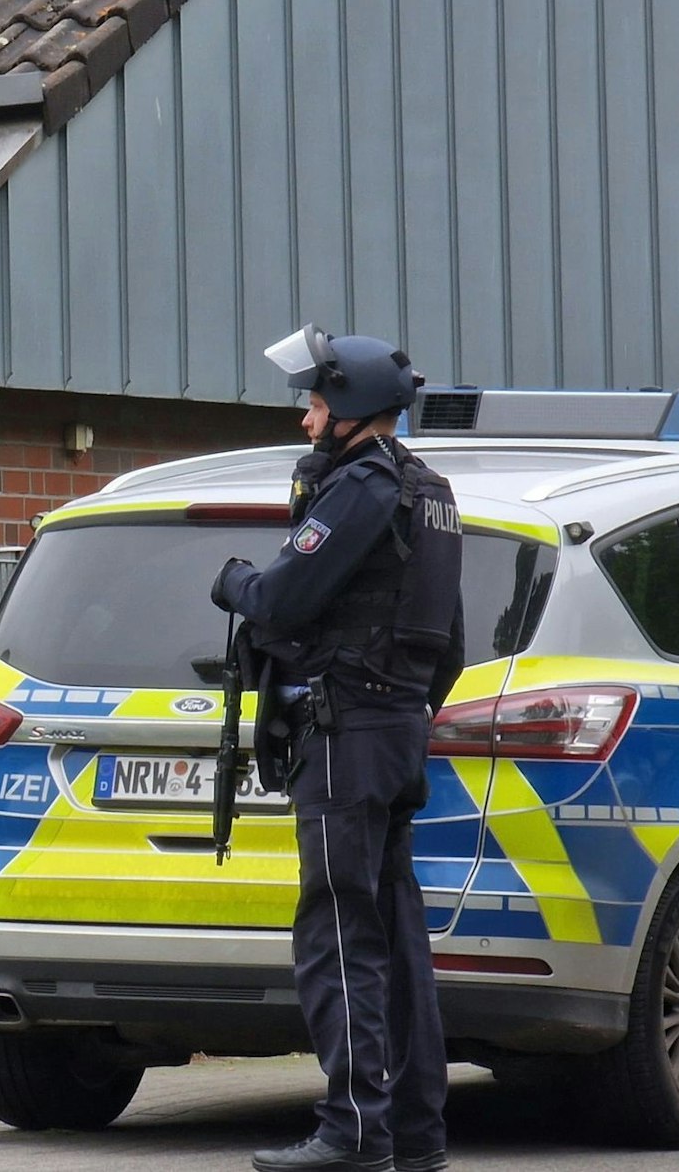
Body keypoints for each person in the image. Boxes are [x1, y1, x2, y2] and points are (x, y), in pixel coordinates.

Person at [210, 326, 463, 1172]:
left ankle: (353, 1130)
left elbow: (282, 599)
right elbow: (449, 646)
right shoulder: (430, 490)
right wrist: (399, 709)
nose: (307, 419)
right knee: (394, 933)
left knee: (338, 929)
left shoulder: (361, 487)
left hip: (347, 734)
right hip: (393, 730)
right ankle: (415, 1135)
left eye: (315, 402)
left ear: (351, 404)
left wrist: (235, 579)